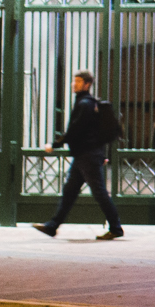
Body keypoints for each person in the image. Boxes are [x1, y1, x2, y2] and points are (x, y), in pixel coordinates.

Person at [33, 70, 124, 241]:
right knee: (70, 191)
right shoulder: (87, 103)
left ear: (87, 84)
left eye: (78, 81)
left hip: (87, 155)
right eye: (74, 81)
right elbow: (92, 131)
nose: (74, 84)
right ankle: (53, 226)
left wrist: (55, 144)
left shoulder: (85, 104)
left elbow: (76, 129)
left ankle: (116, 227)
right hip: (85, 155)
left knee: (99, 192)